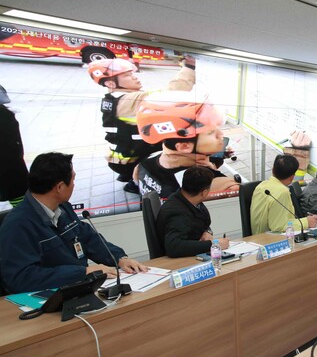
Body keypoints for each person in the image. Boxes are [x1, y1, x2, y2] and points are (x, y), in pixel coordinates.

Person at [0, 152, 147, 294]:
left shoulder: (63, 208)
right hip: (45, 298)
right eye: (73, 180)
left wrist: (119, 258)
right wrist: (83, 272)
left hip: (77, 288)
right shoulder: (17, 225)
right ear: (60, 187)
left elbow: (88, 238)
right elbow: (20, 278)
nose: (74, 185)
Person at [87, 56, 195, 193]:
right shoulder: (128, 101)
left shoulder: (113, 98)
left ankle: (133, 178)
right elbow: (172, 93)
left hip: (123, 156)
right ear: (111, 84)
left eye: (132, 73)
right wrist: (189, 68)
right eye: (127, 75)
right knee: (184, 153)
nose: (135, 77)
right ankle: (139, 182)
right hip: (131, 160)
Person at [135, 91, 240, 199]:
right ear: (184, 146)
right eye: (211, 132)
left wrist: (211, 165)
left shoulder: (142, 165)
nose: (221, 134)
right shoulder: (223, 187)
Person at [156, 166, 231, 257]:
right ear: (204, 193)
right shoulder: (176, 213)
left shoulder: (191, 201)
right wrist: (214, 244)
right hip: (181, 260)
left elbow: (204, 222)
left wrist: (207, 232)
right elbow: (174, 247)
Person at [251, 154, 317, 233]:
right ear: (292, 177)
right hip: (270, 238)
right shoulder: (282, 192)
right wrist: (307, 222)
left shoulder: (261, 185)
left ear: (273, 170)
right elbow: (278, 227)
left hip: (258, 236)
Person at [0, 85, 28, 207]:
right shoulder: (4, 116)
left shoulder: (5, 115)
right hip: (12, 174)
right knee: (23, 207)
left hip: (11, 174)